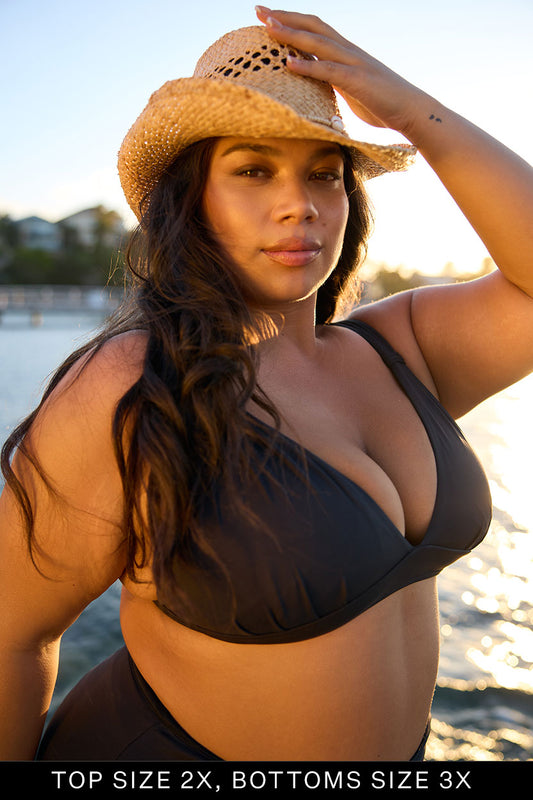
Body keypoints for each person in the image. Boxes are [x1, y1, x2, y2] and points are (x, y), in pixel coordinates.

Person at [1, 7, 532, 762]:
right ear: (191, 200)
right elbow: (12, 636)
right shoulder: (133, 384)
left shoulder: (402, 350)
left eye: (324, 172)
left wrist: (412, 112)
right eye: (253, 170)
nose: (301, 203)